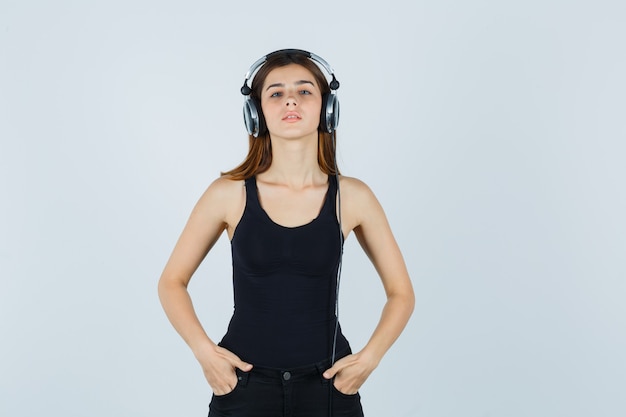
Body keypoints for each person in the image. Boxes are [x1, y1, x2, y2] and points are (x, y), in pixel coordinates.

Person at [158, 49, 414, 417]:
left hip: (329, 387)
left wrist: (368, 360)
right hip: (243, 387)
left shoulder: (353, 196)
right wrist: (204, 352)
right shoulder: (228, 194)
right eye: (276, 93)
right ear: (256, 112)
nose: (290, 99)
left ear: (327, 108)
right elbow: (171, 281)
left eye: (304, 90)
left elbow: (401, 293)